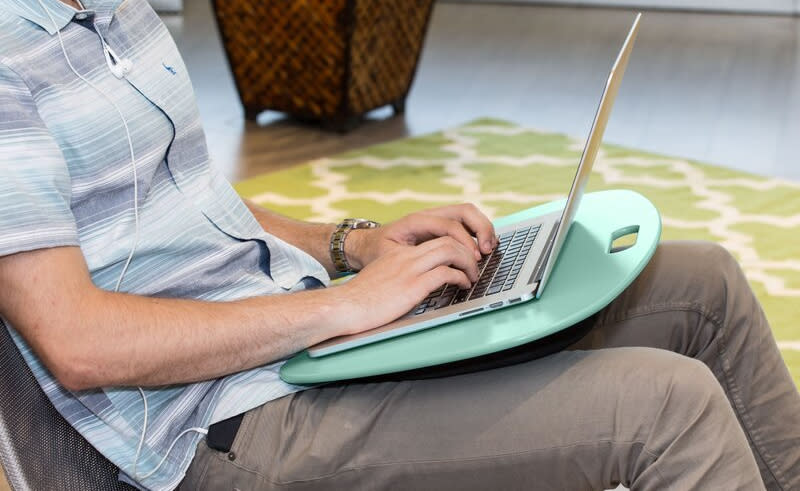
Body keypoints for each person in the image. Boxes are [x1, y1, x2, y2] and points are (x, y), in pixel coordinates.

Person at [0, 0, 797, 489]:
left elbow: (195, 202)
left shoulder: (117, 11)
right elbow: (77, 341)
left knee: (706, 286)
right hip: (222, 428)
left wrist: (354, 245)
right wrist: (341, 310)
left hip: (302, 334)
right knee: (669, 407)